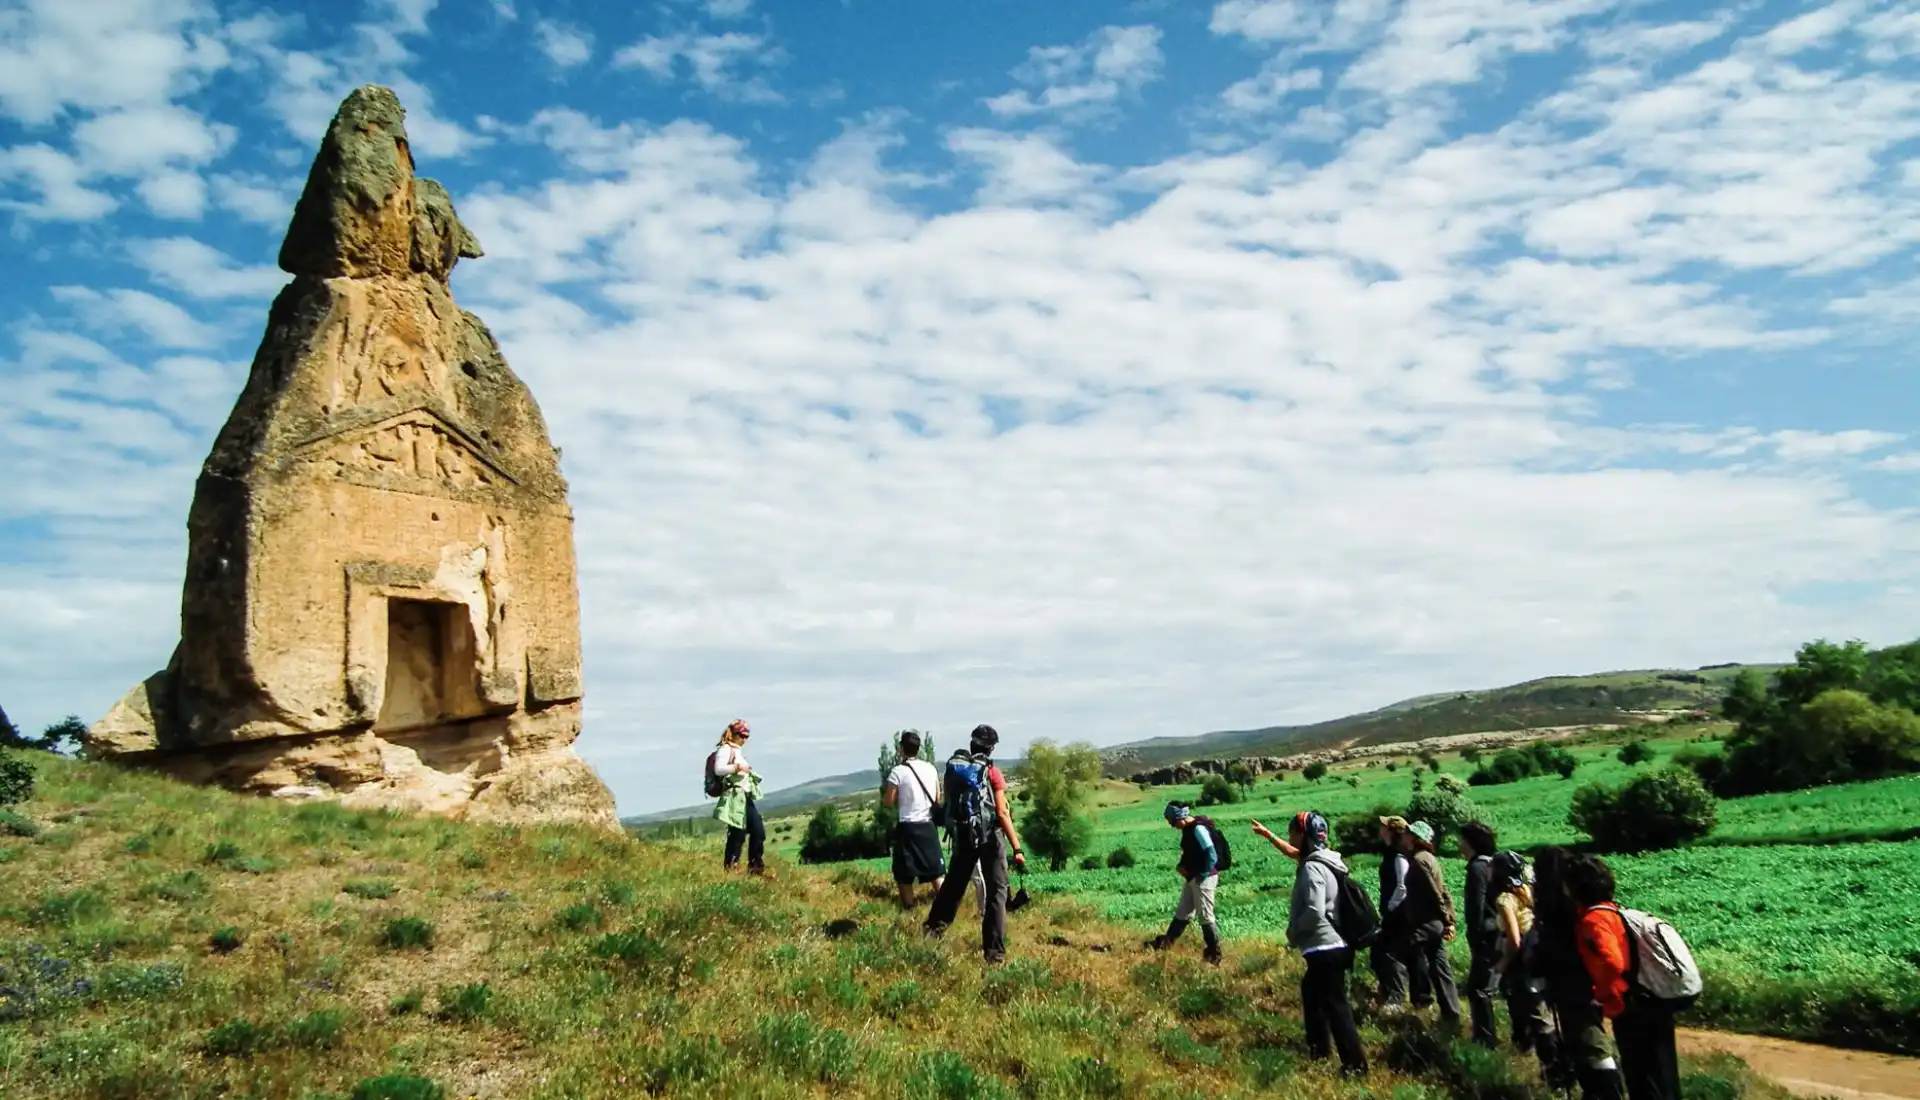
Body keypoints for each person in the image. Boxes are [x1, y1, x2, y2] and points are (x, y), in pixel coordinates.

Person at [1253, 812, 1367, 1077]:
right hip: (1333, 944)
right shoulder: (1329, 860)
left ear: (1304, 835)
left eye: (1293, 832)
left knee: (1336, 1006)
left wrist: (1294, 930)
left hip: (1324, 946)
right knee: (1312, 994)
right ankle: (1319, 1051)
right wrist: (1269, 835)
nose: (1291, 836)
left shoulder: (1312, 867)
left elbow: (1315, 910)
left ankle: (1356, 1066)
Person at [1570, 854, 1679, 1100]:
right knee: (1664, 1075)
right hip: (1651, 999)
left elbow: (1613, 961)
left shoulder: (1593, 920)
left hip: (1631, 1008)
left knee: (1642, 1078)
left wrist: (1602, 993)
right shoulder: (1614, 911)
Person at [923, 725, 1028, 963]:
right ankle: (994, 954)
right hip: (990, 836)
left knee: (954, 885)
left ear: (971, 744)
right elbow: (1001, 812)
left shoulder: (955, 768)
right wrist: (1017, 847)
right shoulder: (992, 772)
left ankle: (933, 930)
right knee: (997, 892)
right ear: (991, 748)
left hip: (963, 835)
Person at [1532, 847, 1626, 1100]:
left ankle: (1608, 1091)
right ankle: (1600, 1089)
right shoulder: (1575, 903)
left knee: (1589, 1041)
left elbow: (1551, 946)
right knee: (1589, 1037)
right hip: (1585, 978)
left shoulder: (1556, 906)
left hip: (1571, 982)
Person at [1490, 849, 1559, 1063]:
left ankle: (1545, 1060)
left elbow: (1514, 938)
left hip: (1519, 958)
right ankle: (1551, 1059)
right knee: (1539, 1006)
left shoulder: (1504, 900)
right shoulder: (1528, 891)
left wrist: (1503, 963)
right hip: (1535, 952)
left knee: (1530, 1009)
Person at [1145, 802, 1224, 965]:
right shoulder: (1188, 829)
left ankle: (1214, 955)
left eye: (1172, 821)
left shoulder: (1198, 829)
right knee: (1183, 912)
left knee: (1205, 916)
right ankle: (1166, 944)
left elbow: (1211, 854)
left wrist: (1202, 874)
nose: (1172, 825)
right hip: (1193, 878)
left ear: (1179, 817)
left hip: (1204, 878)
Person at [1399, 820, 1461, 1026]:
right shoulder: (1429, 858)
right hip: (1434, 921)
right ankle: (1451, 1012)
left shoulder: (1418, 860)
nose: (1404, 836)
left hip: (1425, 922)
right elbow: (1444, 891)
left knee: (1409, 952)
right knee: (1440, 967)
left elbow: (1435, 894)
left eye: (1408, 834)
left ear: (1416, 838)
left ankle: (1421, 1003)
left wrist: (1447, 919)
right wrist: (1449, 919)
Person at [882, 729, 945, 908]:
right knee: (935, 870)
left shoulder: (897, 772)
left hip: (908, 826)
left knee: (904, 872)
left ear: (901, 748)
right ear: (918, 749)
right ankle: (945, 904)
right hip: (927, 824)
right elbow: (937, 798)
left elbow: (888, 801)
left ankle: (909, 907)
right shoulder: (931, 768)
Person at [1460, 820, 1503, 1047]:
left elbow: (1475, 907)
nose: (1459, 844)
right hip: (1497, 932)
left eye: (1462, 840)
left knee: (1478, 989)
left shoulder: (1477, 868)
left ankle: (1485, 1039)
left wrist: (1473, 937)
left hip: (1485, 935)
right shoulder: (1492, 864)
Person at [710, 719, 769, 876]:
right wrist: (737, 767)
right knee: (739, 834)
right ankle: (733, 868)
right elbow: (719, 769)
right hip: (734, 797)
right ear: (734, 734)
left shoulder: (736, 750)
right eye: (742, 735)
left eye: (747, 736)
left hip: (744, 796)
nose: (745, 739)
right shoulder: (725, 749)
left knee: (757, 831)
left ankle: (754, 867)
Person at [1372, 816, 1414, 1010]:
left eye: (1383, 826)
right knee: (1381, 952)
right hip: (1395, 912)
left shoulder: (1398, 855)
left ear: (1391, 831)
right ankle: (1389, 991)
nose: (1380, 828)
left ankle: (1397, 996)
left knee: (1389, 953)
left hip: (1398, 914)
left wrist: (1390, 907)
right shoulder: (1392, 853)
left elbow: (1402, 885)